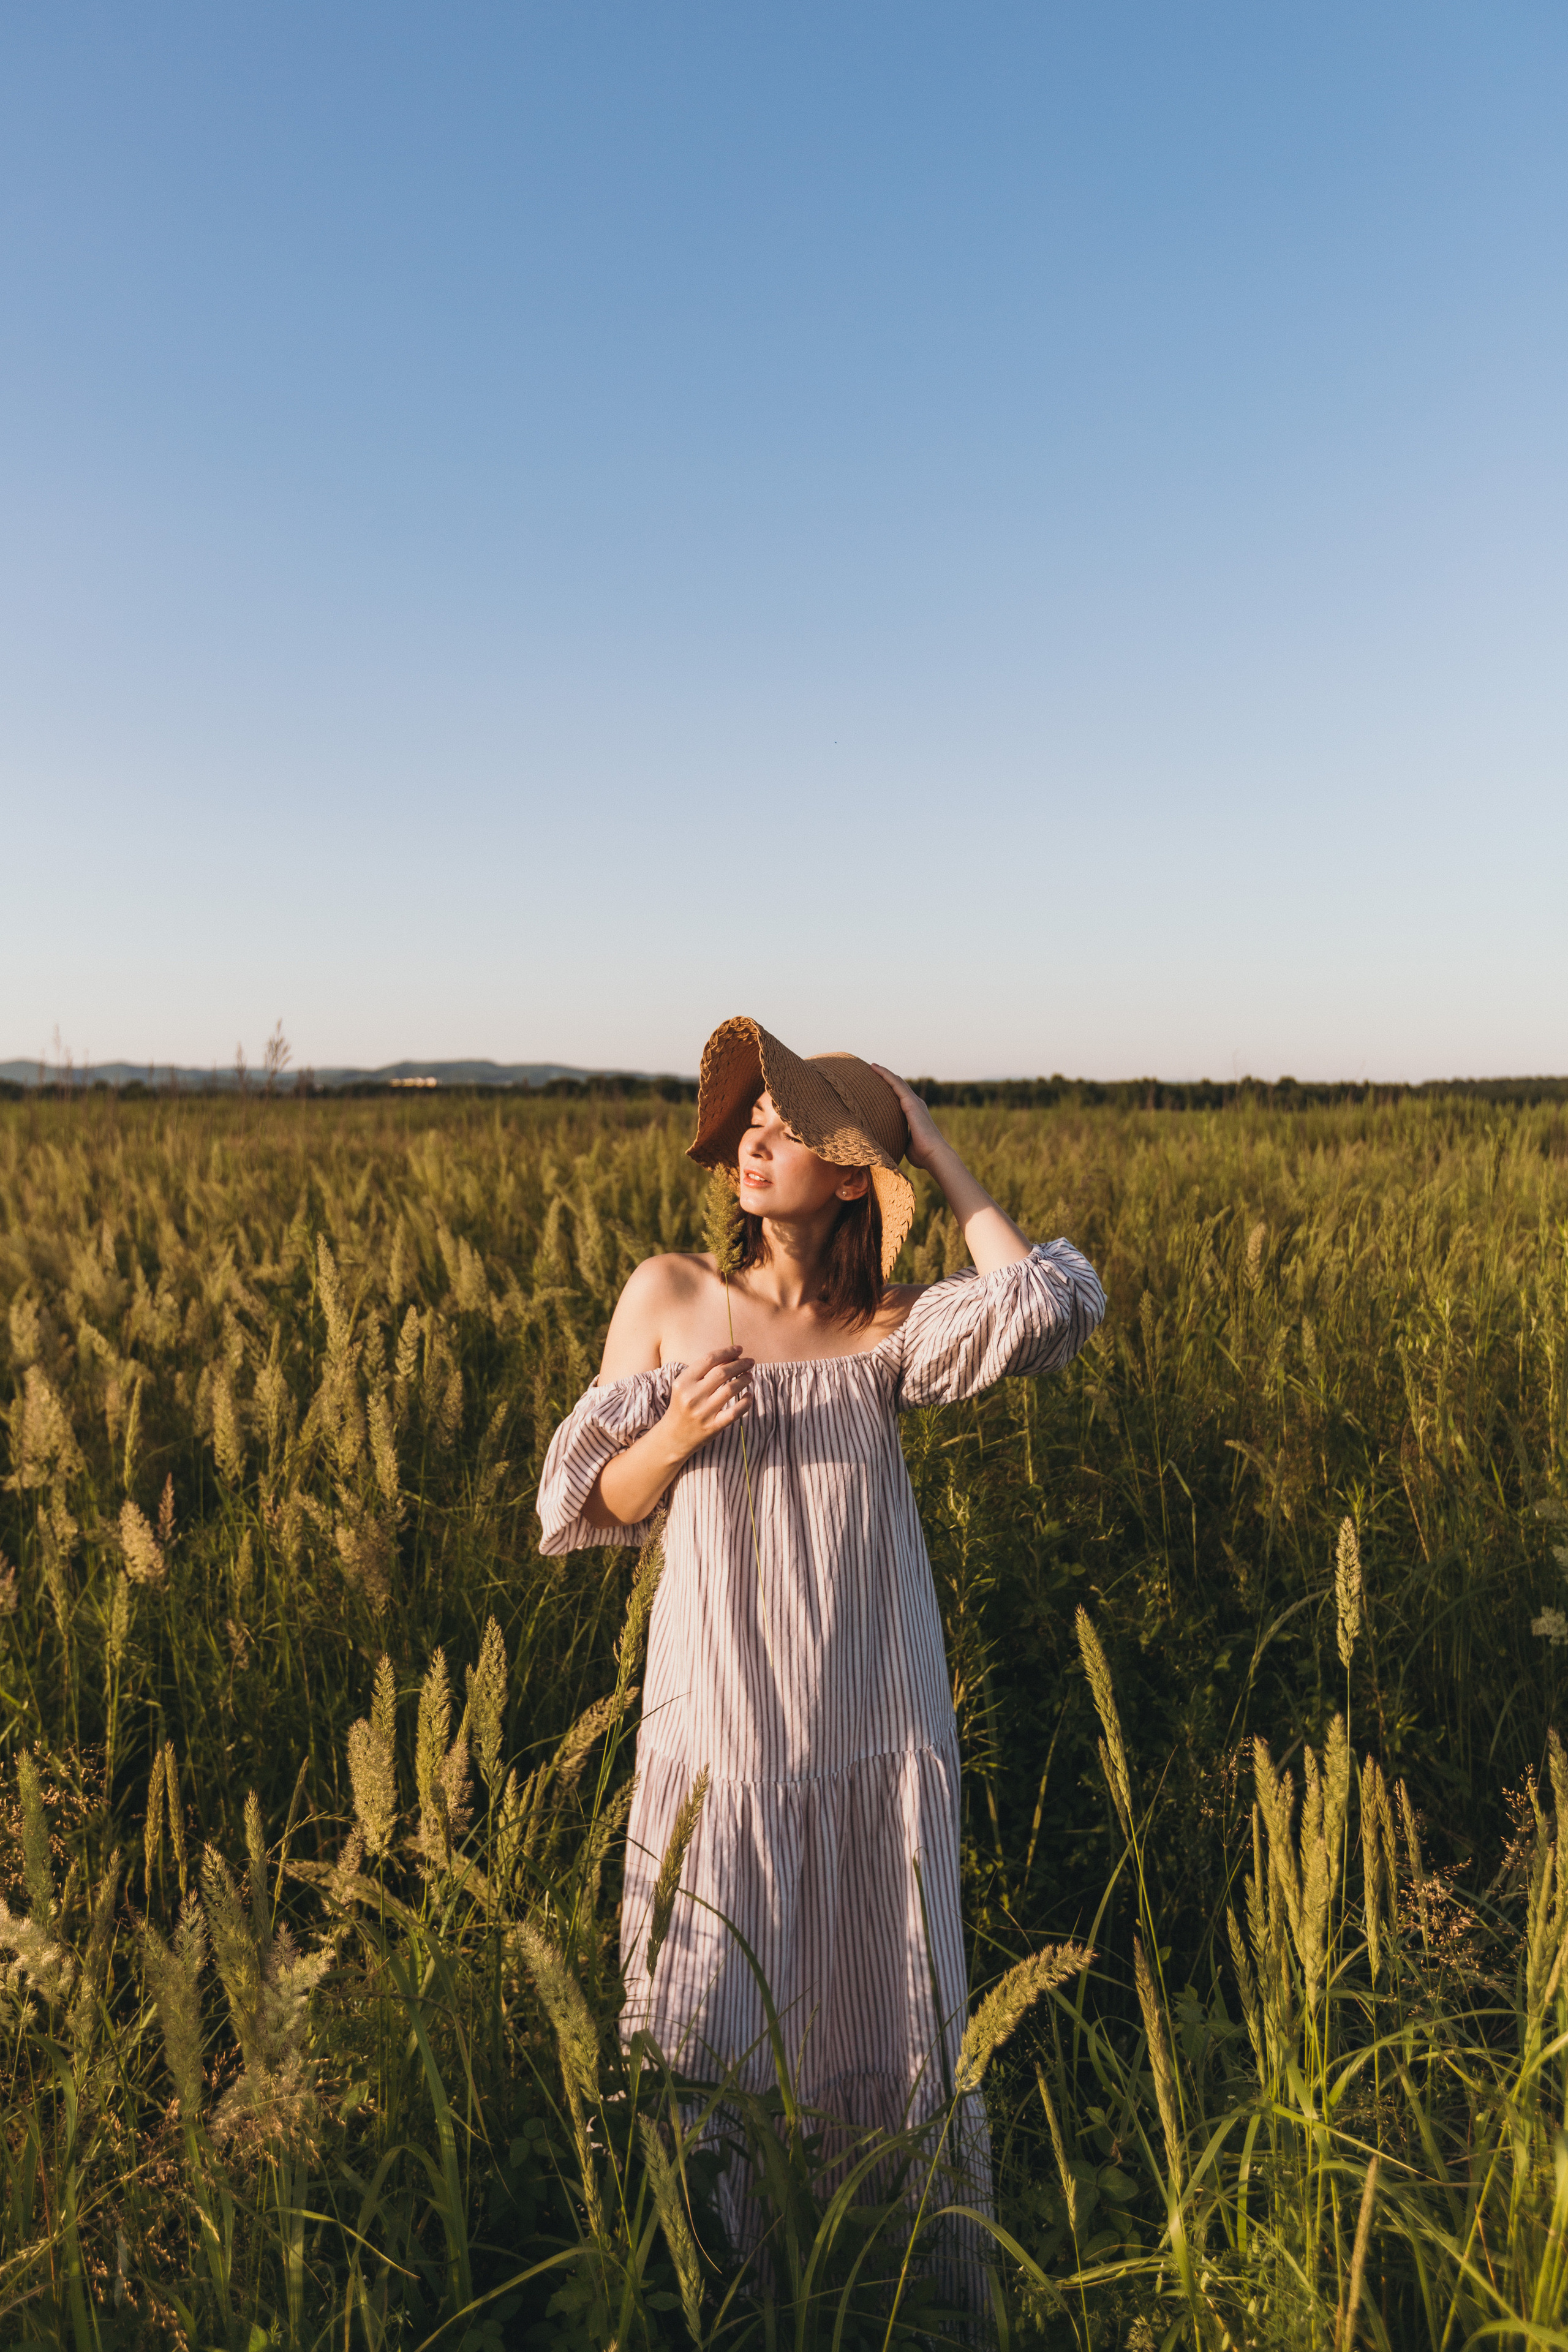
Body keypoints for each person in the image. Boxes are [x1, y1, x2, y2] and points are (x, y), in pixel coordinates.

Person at [536, 1016, 1106, 2311]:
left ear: (850, 1175)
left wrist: (932, 1142)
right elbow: (588, 1504)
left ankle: (879, 2279)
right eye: (749, 1123)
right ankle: (720, 2289)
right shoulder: (671, 1294)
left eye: (788, 1130)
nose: (752, 1139)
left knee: (874, 2005)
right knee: (711, 2011)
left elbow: (1045, 1307)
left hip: (870, 1718)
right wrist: (674, 1431)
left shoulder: (889, 1327)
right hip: (726, 1728)